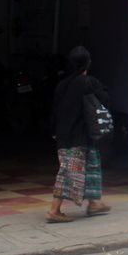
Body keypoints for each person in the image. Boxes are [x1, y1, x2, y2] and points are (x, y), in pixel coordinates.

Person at [47, 45, 112, 223]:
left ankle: (94, 203)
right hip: (77, 137)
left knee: (92, 167)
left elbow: (54, 111)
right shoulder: (88, 82)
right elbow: (104, 100)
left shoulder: (61, 85)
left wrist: (54, 132)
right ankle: (54, 210)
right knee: (68, 173)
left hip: (64, 136)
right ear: (88, 63)